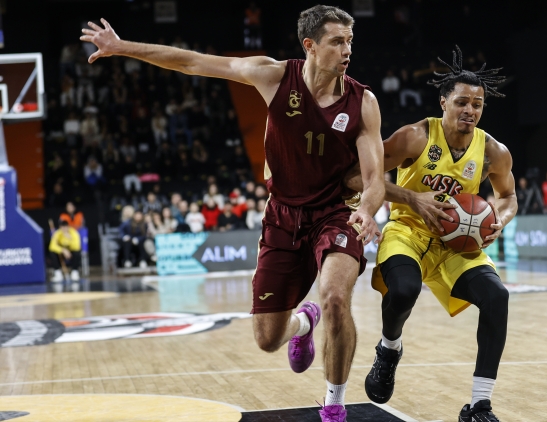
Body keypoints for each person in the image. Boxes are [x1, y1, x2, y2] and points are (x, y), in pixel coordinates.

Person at [82, 7, 384, 419]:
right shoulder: (274, 76)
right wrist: (121, 47)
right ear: (310, 46)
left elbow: (374, 179)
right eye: (337, 41)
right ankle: (303, 324)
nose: (347, 50)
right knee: (267, 339)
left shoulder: (363, 102)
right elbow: (192, 62)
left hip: (335, 213)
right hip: (283, 216)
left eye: (350, 41)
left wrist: (366, 210)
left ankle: (334, 405)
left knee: (335, 297)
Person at [346, 47, 516, 422]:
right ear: (443, 102)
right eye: (461, 102)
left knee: (497, 297)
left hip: (456, 244)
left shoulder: (493, 151)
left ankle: (480, 405)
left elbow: (508, 197)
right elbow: (357, 177)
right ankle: (389, 348)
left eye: (477, 104)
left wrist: (499, 221)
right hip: (407, 231)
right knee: (403, 291)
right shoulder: (415, 137)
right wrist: (411, 198)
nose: (470, 110)